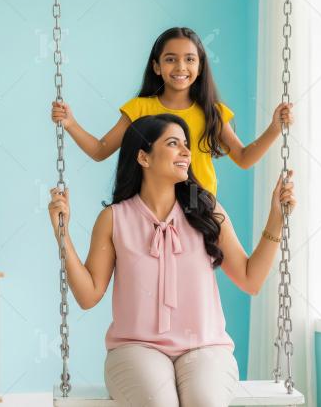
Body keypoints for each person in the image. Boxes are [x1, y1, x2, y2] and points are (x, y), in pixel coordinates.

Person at [48, 114, 296, 407]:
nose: (186, 152)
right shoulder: (115, 219)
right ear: (143, 157)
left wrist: (276, 221)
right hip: (135, 348)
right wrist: (62, 235)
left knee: (205, 402)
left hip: (205, 348)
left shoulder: (205, 209)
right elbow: (88, 296)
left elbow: (250, 279)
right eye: (173, 143)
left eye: (186, 144)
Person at [51, 26, 294, 195]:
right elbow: (100, 150)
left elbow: (243, 158)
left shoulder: (212, 111)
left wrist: (274, 128)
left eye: (189, 59)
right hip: (152, 209)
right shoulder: (140, 108)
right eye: (170, 59)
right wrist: (70, 123)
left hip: (199, 211)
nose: (180, 66)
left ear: (199, 67)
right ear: (156, 66)